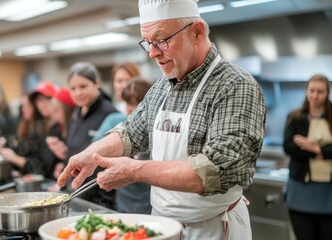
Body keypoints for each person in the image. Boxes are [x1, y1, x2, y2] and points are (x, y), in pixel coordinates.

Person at [57, 0, 266, 239]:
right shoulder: (161, 88)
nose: (153, 53)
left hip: (214, 228)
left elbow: (217, 168)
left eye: (161, 40)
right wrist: (91, 155)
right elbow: (130, 132)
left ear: (196, 32)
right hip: (163, 226)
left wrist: (134, 170)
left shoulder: (235, 85)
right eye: (148, 43)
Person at [51, 62, 118, 209]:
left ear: (97, 84)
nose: (77, 93)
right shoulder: (77, 112)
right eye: (73, 88)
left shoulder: (110, 114)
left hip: (99, 196)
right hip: (75, 191)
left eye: (83, 87)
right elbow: (74, 150)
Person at [283, 74, 332, 240]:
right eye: (312, 91)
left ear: (327, 93)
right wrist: (318, 151)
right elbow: (288, 147)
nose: (315, 96)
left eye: (320, 91)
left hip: (328, 193)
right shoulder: (295, 118)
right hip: (300, 192)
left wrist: (318, 149)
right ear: (306, 91)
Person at [113, 77, 153, 214]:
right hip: (123, 199)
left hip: (147, 201)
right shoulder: (121, 127)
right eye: (128, 103)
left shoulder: (155, 131)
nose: (131, 109)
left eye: (137, 103)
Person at [0, 93, 59, 179]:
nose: (23, 109)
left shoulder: (43, 129)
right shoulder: (25, 125)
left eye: (27, 106)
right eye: (23, 106)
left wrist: (15, 159)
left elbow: (43, 167)